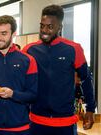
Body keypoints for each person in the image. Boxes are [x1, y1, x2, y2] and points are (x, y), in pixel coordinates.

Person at [21, 5, 96, 135]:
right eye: (42, 25)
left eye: (50, 27)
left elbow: (86, 79)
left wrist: (90, 109)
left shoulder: (73, 49)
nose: (44, 30)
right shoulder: (29, 50)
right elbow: (15, 73)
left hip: (65, 123)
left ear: (59, 28)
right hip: (36, 121)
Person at [0, 15, 38, 135]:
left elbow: (33, 96)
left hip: (20, 129)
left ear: (14, 34)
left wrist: (12, 94)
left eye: (4, 34)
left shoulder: (28, 60)